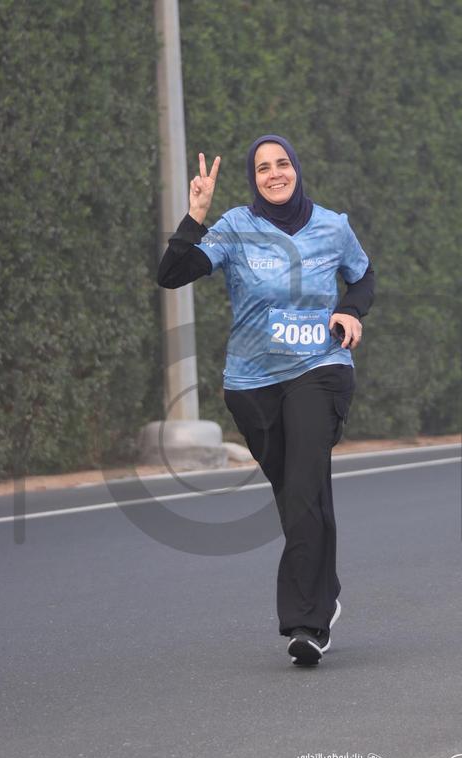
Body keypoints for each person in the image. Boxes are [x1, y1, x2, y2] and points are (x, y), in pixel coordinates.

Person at [158, 134, 374, 667]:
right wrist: (196, 216)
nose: (274, 173)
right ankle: (323, 590)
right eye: (262, 168)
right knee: (296, 494)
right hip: (251, 385)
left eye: (282, 164)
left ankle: (306, 625)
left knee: (303, 491)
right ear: (253, 179)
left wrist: (350, 311)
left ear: (296, 168)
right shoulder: (235, 227)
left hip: (319, 370)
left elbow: (363, 276)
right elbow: (172, 275)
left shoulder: (333, 226)